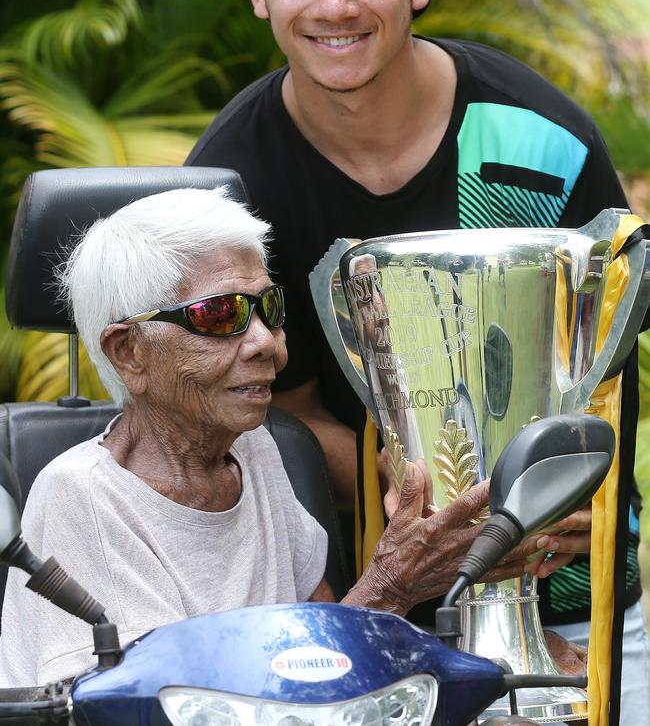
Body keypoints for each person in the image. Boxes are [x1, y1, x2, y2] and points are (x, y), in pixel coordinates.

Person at [185, 0, 648, 722]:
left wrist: (573, 489)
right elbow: (271, 421)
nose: (335, 6)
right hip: (379, 617)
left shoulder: (540, 143)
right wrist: (449, 505)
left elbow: (611, 375)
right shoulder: (229, 190)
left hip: (578, 606)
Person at [0, 186, 569, 687]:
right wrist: (394, 585)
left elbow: (326, 643)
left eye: (267, 308)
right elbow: (177, 706)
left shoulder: (253, 448)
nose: (268, 344)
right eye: (219, 315)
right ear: (129, 352)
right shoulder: (82, 500)